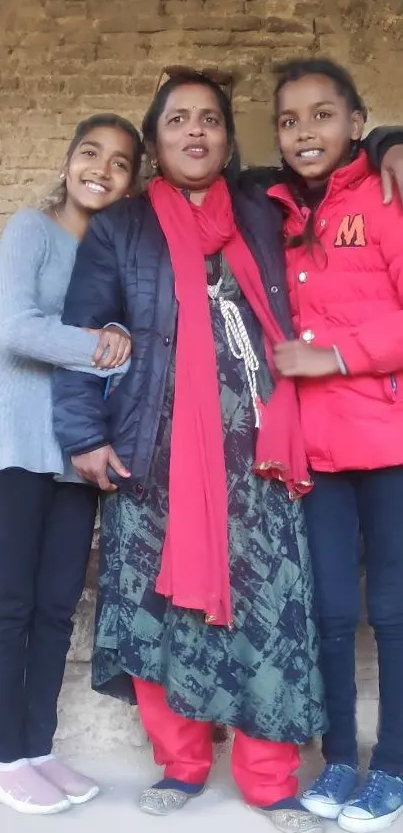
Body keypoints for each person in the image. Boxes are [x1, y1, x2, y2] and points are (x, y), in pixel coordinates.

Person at [52, 71, 328, 833]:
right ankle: (181, 761)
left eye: (209, 119)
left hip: (261, 450)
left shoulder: (262, 209)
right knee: (156, 608)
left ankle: (270, 776)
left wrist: (391, 144)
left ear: (229, 138)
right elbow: (83, 338)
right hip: (156, 445)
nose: (195, 131)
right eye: (177, 120)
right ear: (155, 142)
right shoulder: (123, 228)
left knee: (268, 606)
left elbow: (330, 162)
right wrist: (85, 435)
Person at [270, 57, 403, 833]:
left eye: (322, 115)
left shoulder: (387, 197)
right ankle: (338, 760)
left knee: (390, 610)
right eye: (289, 120)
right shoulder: (278, 209)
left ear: (355, 123)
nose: (304, 132)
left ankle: (390, 762)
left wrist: (337, 355)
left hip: (389, 440)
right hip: (314, 449)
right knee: (325, 610)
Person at [0, 113, 142, 815]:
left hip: (73, 454)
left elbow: (128, 344)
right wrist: (100, 342)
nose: (102, 169)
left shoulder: (112, 261)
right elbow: (15, 326)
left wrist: (117, 332)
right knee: (11, 605)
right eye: (91, 153)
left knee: (58, 607)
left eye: (120, 164)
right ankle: (6, 754)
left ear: (130, 185)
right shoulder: (30, 229)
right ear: (66, 162)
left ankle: (39, 745)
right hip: (17, 446)